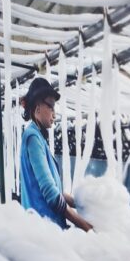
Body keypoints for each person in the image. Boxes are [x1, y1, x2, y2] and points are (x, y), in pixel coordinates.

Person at [20, 77, 93, 232]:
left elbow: (54, 190)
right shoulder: (33, 138)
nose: (54, 114)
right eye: (51, 107)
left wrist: (80, 204)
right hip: (43, 229)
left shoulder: (38, 137)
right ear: (37, 107)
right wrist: (85, 226)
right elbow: (51, 193)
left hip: (46, 228)